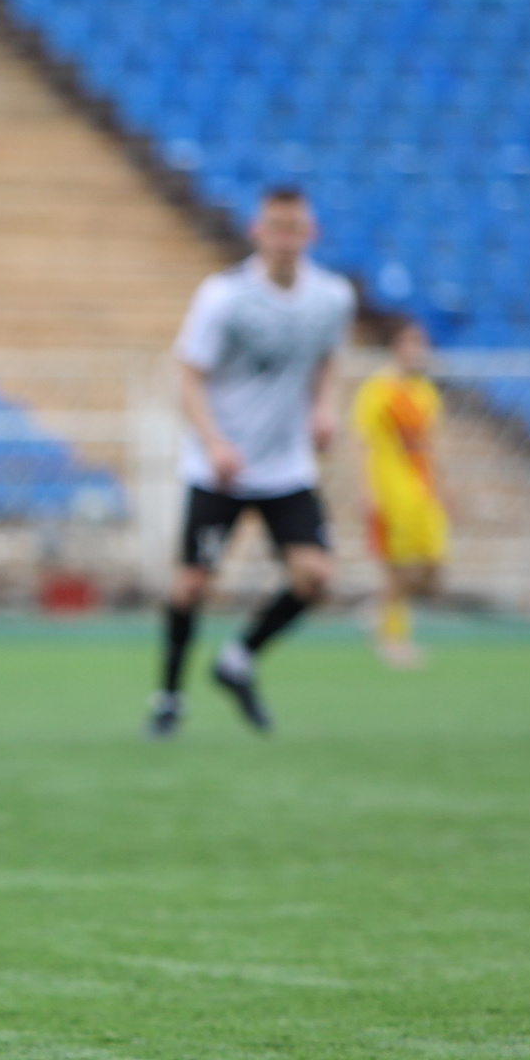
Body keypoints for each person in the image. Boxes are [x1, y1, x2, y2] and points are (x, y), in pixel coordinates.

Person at [147, 185, 355, 737]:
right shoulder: (224, 297)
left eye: (296, 228)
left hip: (285, 468)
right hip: (222, 467)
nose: (286, 239)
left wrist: (324, 409)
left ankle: (237, 660)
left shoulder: (331, 297)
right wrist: (215, 442)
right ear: (256, 232)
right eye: (276, 227)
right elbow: (189, 374)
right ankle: (169, 697)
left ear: (310, 235)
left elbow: (328, 360)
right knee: (191, 585)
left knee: (316, 575)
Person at [352, 318, 448, 669]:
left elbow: (430, 446)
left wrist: (443, 488)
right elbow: (363, 443)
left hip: (422, 490)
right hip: (391, 490)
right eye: (410, 343)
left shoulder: (425, 393)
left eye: (421, 344)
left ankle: (375, 610)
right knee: (399, 568)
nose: (417, 351)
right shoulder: (378, 390)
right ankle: (392, 637)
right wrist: (366, 490)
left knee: (432, 566)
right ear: (396, 347)